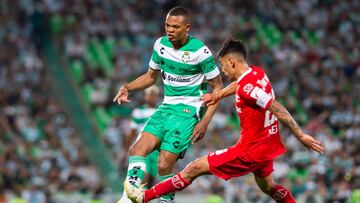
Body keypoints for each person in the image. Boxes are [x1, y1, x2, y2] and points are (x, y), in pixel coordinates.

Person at [124, 39, 324, 203]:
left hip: (249, 151)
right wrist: (217, 96)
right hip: (266, 146)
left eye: (223, 65)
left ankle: (143, 197)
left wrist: (300, 135)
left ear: (232, 62)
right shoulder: (257, 73)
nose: (222, 70)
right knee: (269, 187)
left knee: (193, 168)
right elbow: (239, 84)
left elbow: (277, 108)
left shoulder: (248, 88)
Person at [114, 6, 223, 203]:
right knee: (136, 150)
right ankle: (128, 198)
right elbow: (150, 77)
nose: (169, 30)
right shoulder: (160, 45)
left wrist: (205, 122)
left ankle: (167, 201)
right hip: (166, 108)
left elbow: (217, 89)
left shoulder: (200, 52)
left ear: (187, 27)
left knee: (163, 166)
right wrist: (127, 87)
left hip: (188, 112)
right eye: (167, 25)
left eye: (175, 26)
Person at [124, 85, 161, 189]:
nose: (152, 97)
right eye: (150, 95)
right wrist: (126, 148)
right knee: (145, 173)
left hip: (157, 148)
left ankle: (143, 197)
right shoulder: (138, 112)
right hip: (144, 145)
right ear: (145, 96)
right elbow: (132, 131)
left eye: (154, 95)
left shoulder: (161, 111)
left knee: (151, 178)